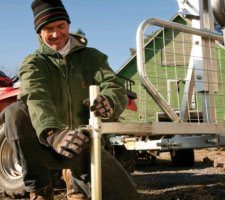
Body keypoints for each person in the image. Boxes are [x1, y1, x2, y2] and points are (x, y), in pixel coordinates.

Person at [0, 0, 140, 199]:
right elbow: (36, 96)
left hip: (82, 144)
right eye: (48, 29)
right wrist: (53, 133)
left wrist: (110, 100)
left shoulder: (92, 57)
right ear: (39, 32)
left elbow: (114, 84)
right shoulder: (33, 63)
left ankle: (76, 183)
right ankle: (40, 189)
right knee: (15, 112)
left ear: (68, 25)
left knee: (127, 196)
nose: (56, 34)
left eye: (60, 26)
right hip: (46, 144)